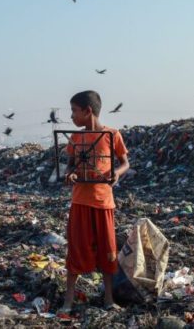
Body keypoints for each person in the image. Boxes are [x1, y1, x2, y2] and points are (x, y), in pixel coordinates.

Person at [60, 90, 130, 315]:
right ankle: (68, 301)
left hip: (103, 202)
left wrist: (117, 173)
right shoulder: (76, 138)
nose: (71, 116)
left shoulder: (112, 135)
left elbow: (125, 162)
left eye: (74, 111)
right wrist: (69, 174)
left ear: (88, 111)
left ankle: (109, 299)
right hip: (80, 201)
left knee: (107, 251)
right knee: (77, 249)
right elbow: (70, 165)